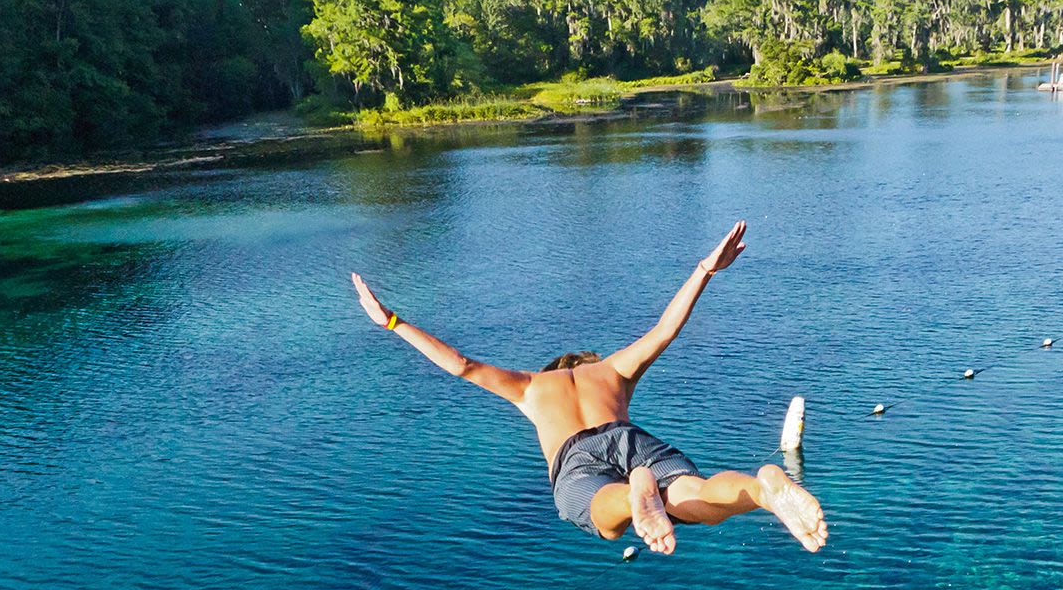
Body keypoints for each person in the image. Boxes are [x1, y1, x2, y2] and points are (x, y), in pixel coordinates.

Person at [350, 221, 827, 555]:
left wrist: (393, 321)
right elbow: (665, 331)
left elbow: (461, 366)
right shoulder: (613, 372)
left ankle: (632, 496)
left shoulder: (533, 388)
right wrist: (705, 269)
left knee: (608, 518)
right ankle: (761, 489)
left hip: (576, 458)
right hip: (629, 437)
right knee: (698, 497)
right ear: (587, 363)